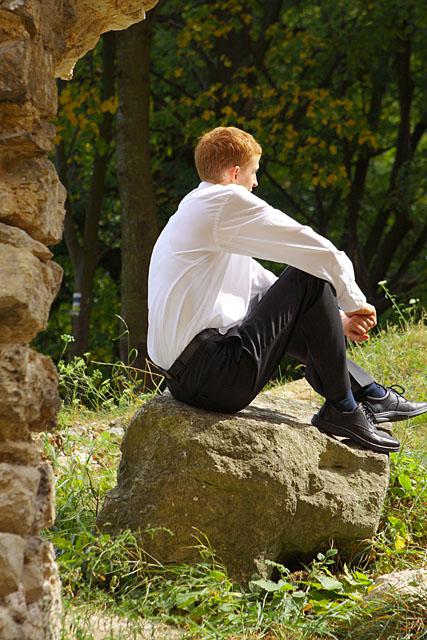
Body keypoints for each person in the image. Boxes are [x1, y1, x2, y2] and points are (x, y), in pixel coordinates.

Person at [147, 126, 427, 454]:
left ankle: (369, 393)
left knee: (302, 286)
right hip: (214, 376)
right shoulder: (223, 202)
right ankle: (343, 408)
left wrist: (338, 319)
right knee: (309, 274)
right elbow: (316, 250)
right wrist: (355, 303)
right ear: (235, 173)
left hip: (187, 380)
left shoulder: (193, 211)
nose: (255, 183)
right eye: (253, 172)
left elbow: (263, 286)